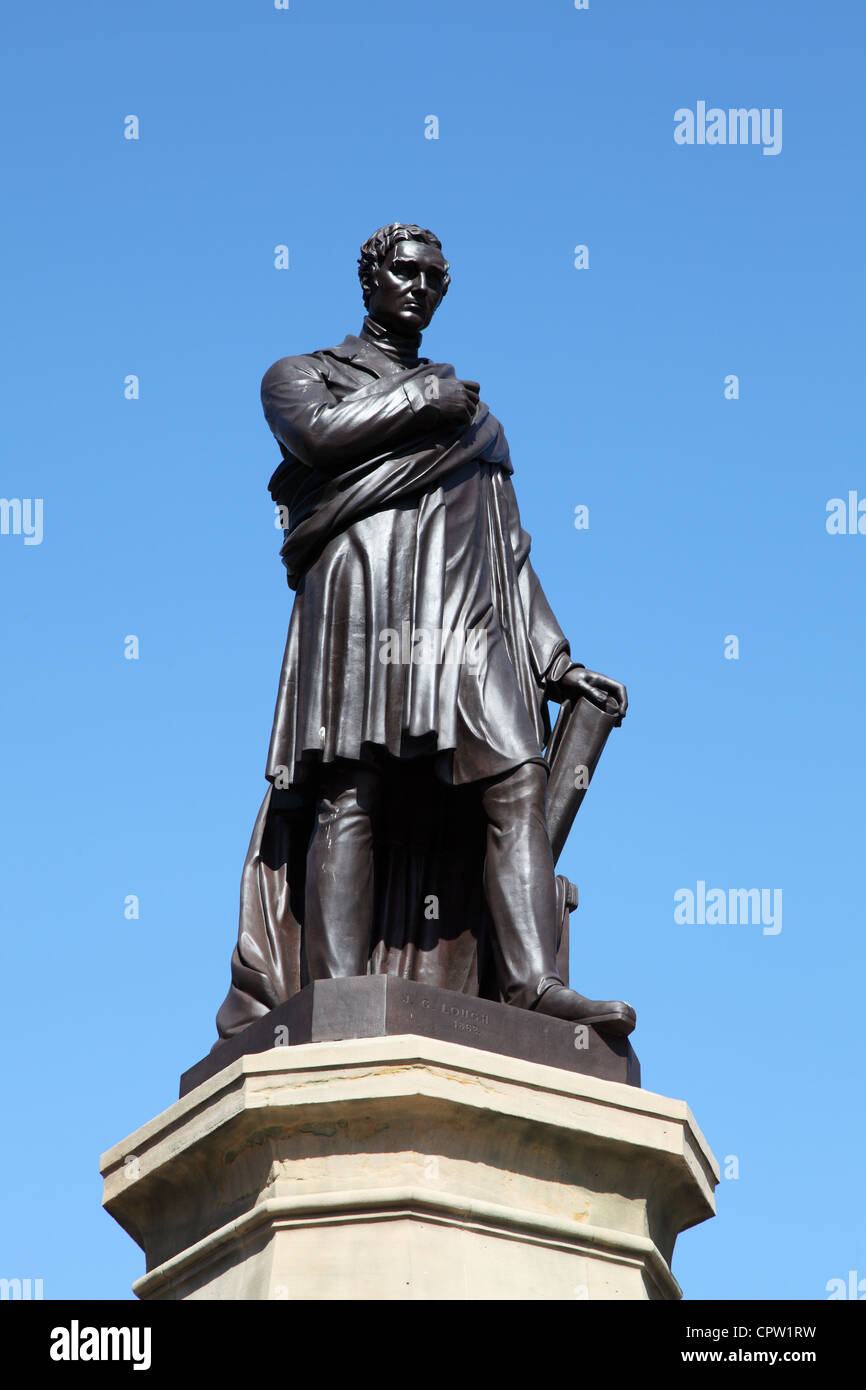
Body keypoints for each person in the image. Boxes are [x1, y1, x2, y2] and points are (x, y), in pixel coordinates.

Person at [214, 223, 635, 1042]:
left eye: (435, 279)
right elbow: (316, 439)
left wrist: (555, 659)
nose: (419, 288)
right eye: (404, 272)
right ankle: (335, 995)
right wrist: (422, 402)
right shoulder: (304, 376)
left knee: (517, 776)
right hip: (364, 603)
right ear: (369, 278)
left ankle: (530, 985)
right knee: (350, 790)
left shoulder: (478, 421)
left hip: (464, 619)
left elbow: (509, 548)